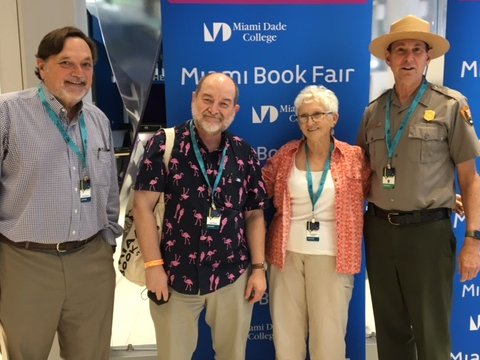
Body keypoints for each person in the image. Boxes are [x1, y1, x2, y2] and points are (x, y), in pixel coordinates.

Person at [357, 15, 480, 360]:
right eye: (400, 51)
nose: (408, 58)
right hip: (380, 231)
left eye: (416, 50)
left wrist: (474, 239)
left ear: (428, 57)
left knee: (432, 335)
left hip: (429, 234)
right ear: (389, 59)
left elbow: (470, 178)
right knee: (391, 333)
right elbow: (361, 172)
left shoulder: (450, 105)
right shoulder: (373, 112)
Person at [0, 27, 122, 359]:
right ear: (41, 65)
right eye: (66, 62)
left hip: (91, 261)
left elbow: (110, 192)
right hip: (26, 262)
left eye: (86, 64)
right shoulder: (8, 113)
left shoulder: (97, 120)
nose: (78, 73)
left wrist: (106, 244)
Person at [133, 72, 268, 360]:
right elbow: (142, 206)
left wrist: (258, 268)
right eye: (207, 99)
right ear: (194, 99)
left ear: (235, 110)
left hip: (232, 277)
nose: (214, 109)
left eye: (224, 103)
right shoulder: (164, 144)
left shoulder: (244, 153)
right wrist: (153, 265)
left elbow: (255, 214)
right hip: (174, 277)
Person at [262, 85, 370, 360]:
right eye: (303, 116)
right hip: (285, 256)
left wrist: (439, 195)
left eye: (317, 115)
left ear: (334, 118)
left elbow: (382, 190)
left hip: (334, 258)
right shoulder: (286, 154)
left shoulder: (354, 158)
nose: (310, 122)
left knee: (329, 342)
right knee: (287, 339)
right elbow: (257, 189)